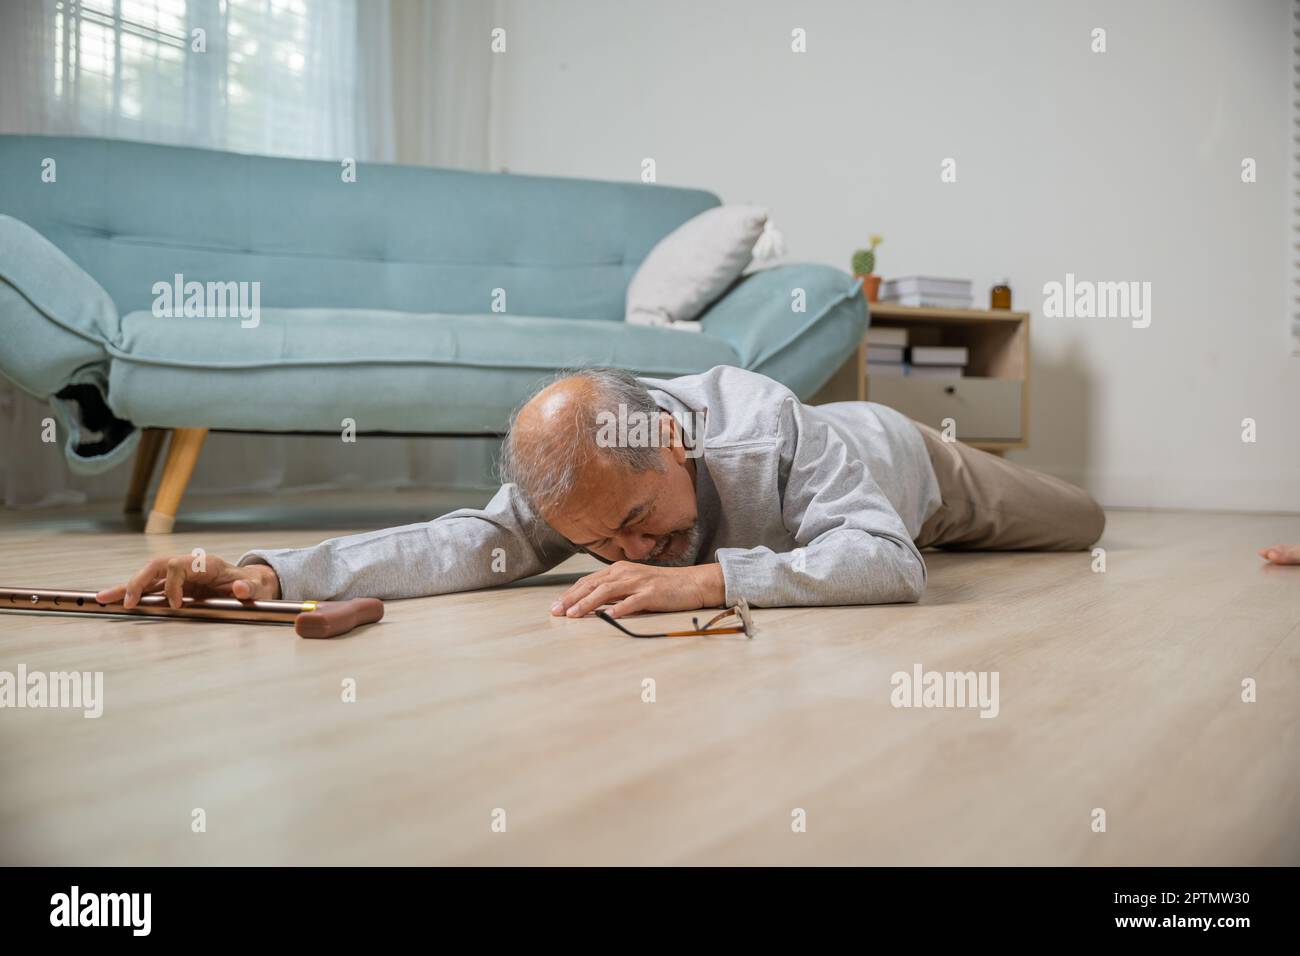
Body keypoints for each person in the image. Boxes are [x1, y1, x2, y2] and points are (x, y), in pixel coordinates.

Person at [97, 365, 1105, 619]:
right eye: (599, 543)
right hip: (834, 514)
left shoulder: (774, 431)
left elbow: (886, 561)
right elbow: (456, 543)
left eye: (636, 521)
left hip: (906, 467)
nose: (629, 554)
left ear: (670, 440)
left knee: (1079, 522)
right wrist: (263, 569)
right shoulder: (582, 480)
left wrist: (708, 580)